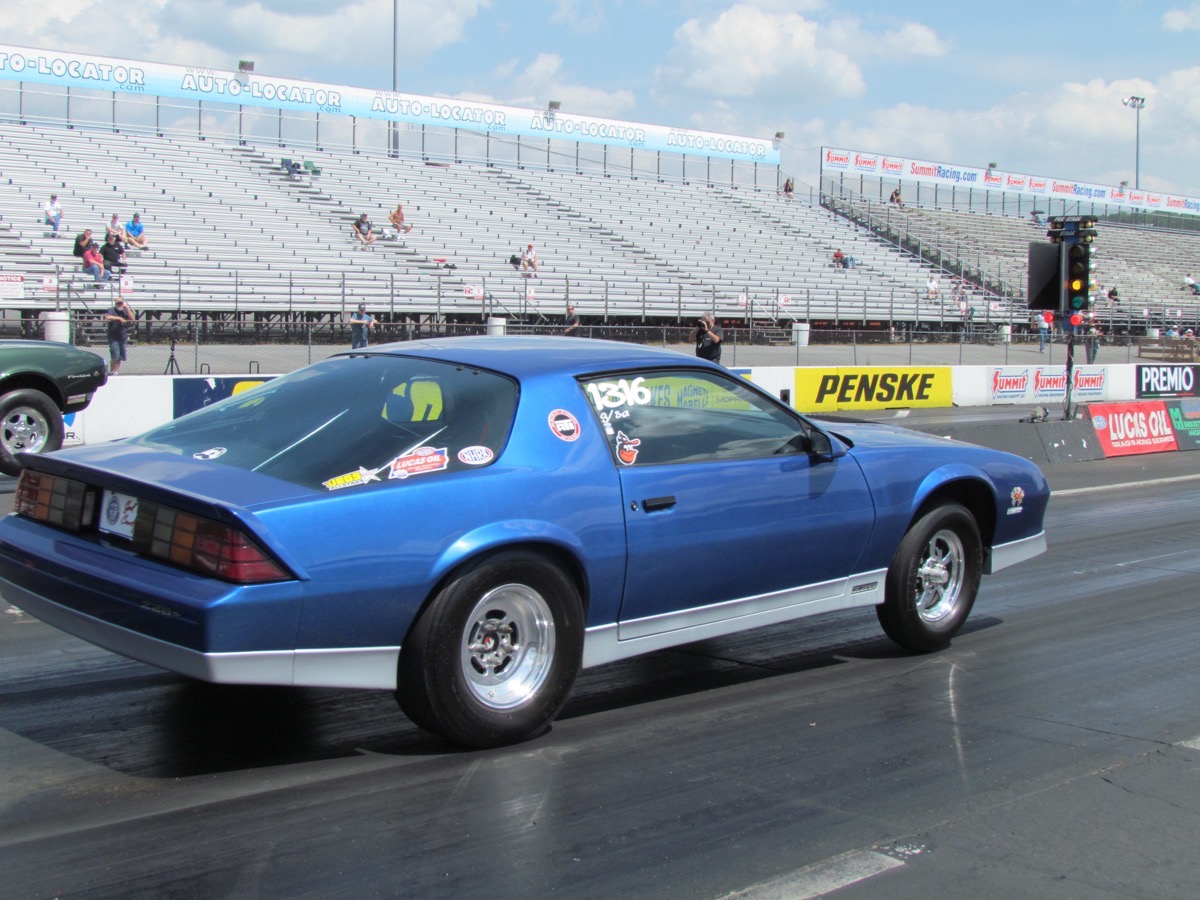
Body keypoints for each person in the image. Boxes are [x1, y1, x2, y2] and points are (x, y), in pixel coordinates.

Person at [105, 298, 134, 374]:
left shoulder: (125, 310)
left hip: (122, 336)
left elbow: (131, 318)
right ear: (115, 303)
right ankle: (112, 370)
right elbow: (108, 317)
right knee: (115, 354)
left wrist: (127, 308)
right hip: (113, 336)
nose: (120, 305)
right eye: (118, 303)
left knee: (121, 355)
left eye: (121, 303)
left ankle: (116, 371)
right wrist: (119, 318)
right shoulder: (112, 310)